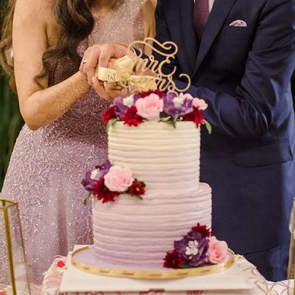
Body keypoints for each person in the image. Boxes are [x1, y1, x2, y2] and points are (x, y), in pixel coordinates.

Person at [83, 0, 295, 282]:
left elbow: (254, 114)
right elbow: (164, 72)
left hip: (249, 186)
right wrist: (127, 66)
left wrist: (160, 82)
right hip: (179, 186)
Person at [0, 0, 156, 285]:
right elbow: (32, 112)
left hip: (118, 173)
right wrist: (90, 74)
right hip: (48, 176)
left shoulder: (146, 5)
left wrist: (128, 85)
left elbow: (150, 91)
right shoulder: (36, 5)